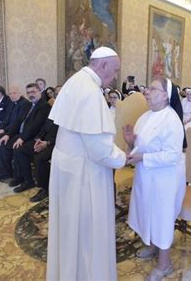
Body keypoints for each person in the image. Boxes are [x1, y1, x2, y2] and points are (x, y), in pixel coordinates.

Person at [46, 47, 126, 280]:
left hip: (68, 167)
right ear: (102, 66)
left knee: (69, 229)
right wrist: (123, 157)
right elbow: (99, 150)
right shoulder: (90, 92)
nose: (115, 77)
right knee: (85, 233)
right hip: (83, 174)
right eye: (114, 71)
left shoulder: (75, 81)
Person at [123, 76, 186, 281]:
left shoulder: (171, 120)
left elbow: (172, 156)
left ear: (166, 95)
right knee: (146, 210)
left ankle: (164, 264)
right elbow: (140, 146)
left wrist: (142, 157)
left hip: (165, 179)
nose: (147, 92)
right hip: (146, 175)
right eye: (148, 88)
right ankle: (151, 245)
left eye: (152, 89)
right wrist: (131, 141)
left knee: (162, 218)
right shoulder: (146, 116)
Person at [0, 83, 51, 188]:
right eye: (28, 92)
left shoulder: (43, 106)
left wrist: (22, 138)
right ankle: (16, 176)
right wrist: (8, 134)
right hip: (25, 135)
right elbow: (18, 121)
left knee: (19, 149)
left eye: (33, 92)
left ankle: (28, 181)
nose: (31, 94)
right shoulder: (30, 105)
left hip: (36, 137)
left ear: (39, 91)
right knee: (6, 143)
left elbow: (36, 125)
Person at [13, 117, 58, 202]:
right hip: (42, 141)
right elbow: (44, 128)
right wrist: (38, 139)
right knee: (19, 149)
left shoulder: (67, 114)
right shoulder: (53, 112)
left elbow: (62, 135)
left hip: (54, 144)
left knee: (39, 159)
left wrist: (47, 143)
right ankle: (28, 181)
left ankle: (46, 189)